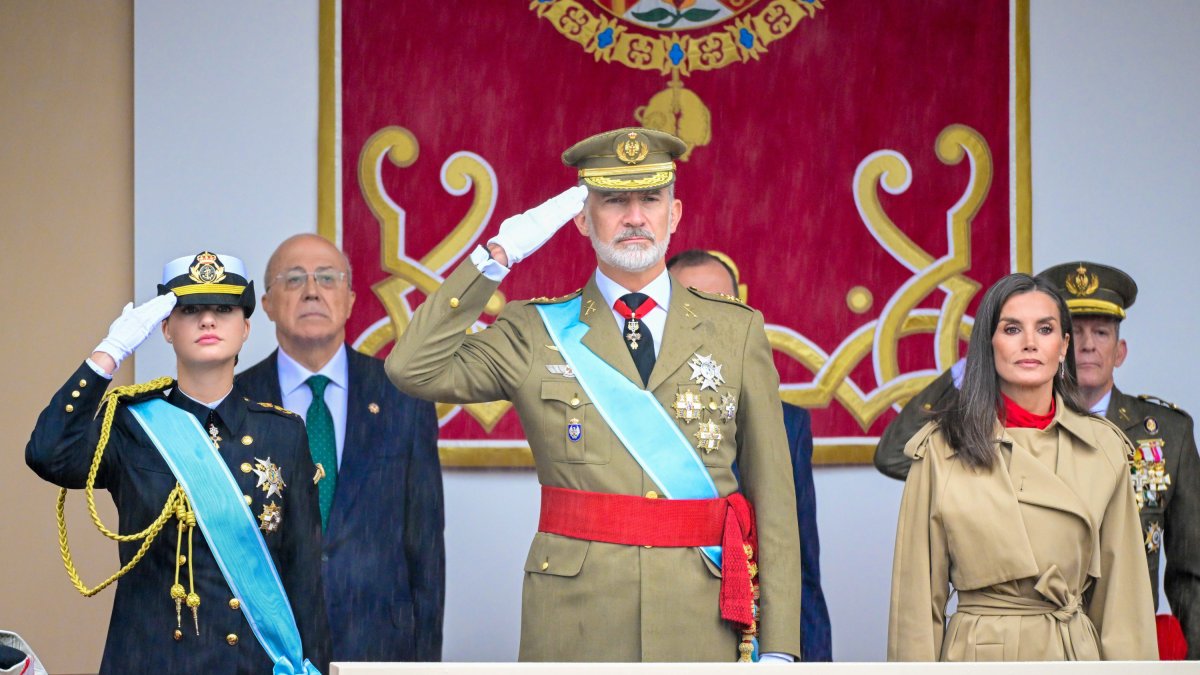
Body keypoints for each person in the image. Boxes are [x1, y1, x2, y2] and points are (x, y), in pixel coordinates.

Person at [385, 127, 802, 662]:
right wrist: (498, 255)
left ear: (674, 215)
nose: (634, 217)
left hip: (700, 616)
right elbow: (411, 369)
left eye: (651, 199)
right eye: (612, 201)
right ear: (581, 218)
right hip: (575, 618)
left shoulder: (736, 331)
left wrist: (782, 647)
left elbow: (774, 501)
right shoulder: (533, 330)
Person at [875, 261, 1200, 658]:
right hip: (979, 652)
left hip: (1072, 651)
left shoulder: (1105, 450)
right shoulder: (942, 449)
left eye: (1044, 329)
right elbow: (915, 608)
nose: (1030, 342)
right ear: (987, 344)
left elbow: (1122, 608)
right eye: (1012, 329)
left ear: (1060, 347)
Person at [25, 251, 330, 674]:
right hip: (151, 659)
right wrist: (109, 354)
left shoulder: (283, 433)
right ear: (165, 328)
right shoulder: (131, 424)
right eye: (190, 310)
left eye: (223, 310)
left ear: (245, 328)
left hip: (252, 663)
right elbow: (48, 454)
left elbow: (304, 576)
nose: (207, 321)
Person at [236, 234, 445, 661]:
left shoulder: (402, 397)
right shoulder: (236, 402)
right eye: (294, 279)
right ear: (268, 303)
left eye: (327, 279)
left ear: (350, 300)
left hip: (380, 645)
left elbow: (425, 547)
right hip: (266, 647)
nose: (312, 290)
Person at [667, 248, 832, 661]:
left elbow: (800, 568)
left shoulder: (787, 425)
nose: (708, 320)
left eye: (724, 305)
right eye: (690, 304)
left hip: (748, 641)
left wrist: (806, 661)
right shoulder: (634, 418)